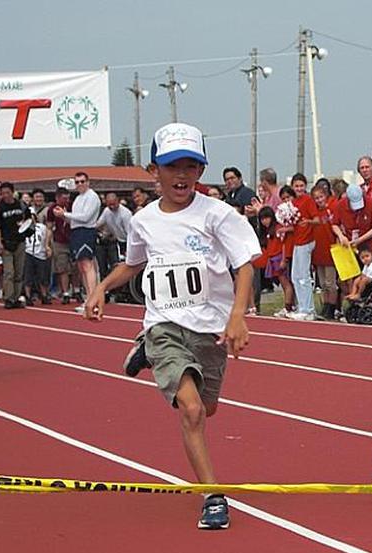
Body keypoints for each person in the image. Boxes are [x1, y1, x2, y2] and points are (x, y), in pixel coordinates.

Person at [86, 122, 259, 529]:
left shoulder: (218, 215)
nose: (181, 176)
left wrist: (237, 316)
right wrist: (100, 289)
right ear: (154, 170)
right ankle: (212, 496)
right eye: (172, 166)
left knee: (209, 406)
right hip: (164, 323)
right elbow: (133, 263)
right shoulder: (144, 220)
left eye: (190, 166)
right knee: (192, 409)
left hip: (209, 327)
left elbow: (245, 265)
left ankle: (145, 350)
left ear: (201, 171)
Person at [53, 172, 101, 312]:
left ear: (88, 182)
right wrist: (62, 215)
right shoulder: (78, 199)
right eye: (77, 182)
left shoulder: (92, 197)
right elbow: (74, 219)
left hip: (86, 231)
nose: (80, 184)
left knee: (87, 265)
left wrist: (65, 214)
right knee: (81, 267)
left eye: (82, 181)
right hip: (76, 232)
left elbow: (86, 217)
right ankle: (88, 299)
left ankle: (93, 300)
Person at [286, 173, 319, 321]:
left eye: (301, 186)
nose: (299, 188)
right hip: (297, 241)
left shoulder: (308, 200)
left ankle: (308, 309)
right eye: (296, 186)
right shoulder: (293, 202)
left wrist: (308, 222)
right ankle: (303, 306)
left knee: (303, 276)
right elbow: (294, 224)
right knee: (295, 276)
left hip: (306, 241)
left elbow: (316, 219)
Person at [0, 182, 31, 309]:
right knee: (9, 272)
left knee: (19, 272)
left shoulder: (21, 205)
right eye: (3, 193)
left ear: (12, 192)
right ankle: (8, 298)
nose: (5, 195)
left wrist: (25, 225)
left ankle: (16, 297)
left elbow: (30, 219)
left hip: (20, 241)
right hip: (7, 242)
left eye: (7, 192)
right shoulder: (0, 208)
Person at [310, 183, 339, 320]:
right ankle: (325, 305)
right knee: (322, 284)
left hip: (331, 251)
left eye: (321, 197)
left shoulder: (331, 209)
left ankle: (332, 308)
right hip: (318, 252)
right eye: (316, 198)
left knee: (330, 283)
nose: (319, 200)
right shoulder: (314, 213)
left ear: (326, 196)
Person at [95, 192, 133, 281]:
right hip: (117, 241)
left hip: (127, 241)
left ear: (118, 201)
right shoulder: (107, 211)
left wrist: (129, 249)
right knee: (114, 266)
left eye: (113, 204)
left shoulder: (125, 214)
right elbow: (98, 224)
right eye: (109, 204)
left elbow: (131, 234)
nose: (111, 207)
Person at [46, 185, 73, 303]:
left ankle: (76, 290)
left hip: (73, 240)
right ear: (57, 198)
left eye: (68, 198)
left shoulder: (72, 206)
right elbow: (49, 227)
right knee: (62, 268)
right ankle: (65, 292)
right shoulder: (52, 209)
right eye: (64, 198)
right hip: (59, 242)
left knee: (76, 267)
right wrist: (47, 244)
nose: (66, 201)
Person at [23, 213, 52, 304]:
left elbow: (49, 232)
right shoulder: (23, 227)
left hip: (40, 253)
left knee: (43, 276)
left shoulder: (41, 227)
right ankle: (28, 296)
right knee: (28, 276)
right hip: (28, 252)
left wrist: (47, 245)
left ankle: (44, 295)